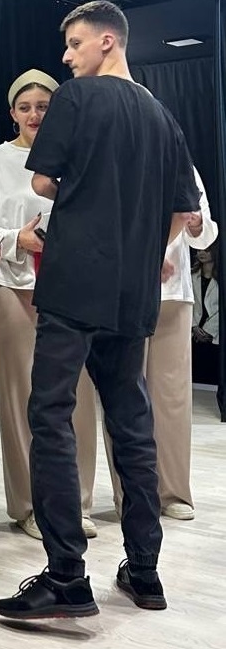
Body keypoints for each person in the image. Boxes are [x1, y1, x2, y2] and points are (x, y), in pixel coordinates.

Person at [0, 0, 199, 619]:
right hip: (133, 290)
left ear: (108, 41)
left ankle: (66, 577)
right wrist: (145, 253)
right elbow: (182, 211)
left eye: (75, 44)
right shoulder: (164, 117)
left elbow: (41, 183)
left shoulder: (77, 99)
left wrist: (83, 196)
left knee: (51, 415)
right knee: (131, 422)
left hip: (75, 278)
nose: (66, 57)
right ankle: (144, 571)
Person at [0, 69, 100, 541]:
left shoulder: (79, 154)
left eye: (44, 106)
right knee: (20, 398)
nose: (34, 115)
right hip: (11, 287)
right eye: (25, 107)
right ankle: (29, 505)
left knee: (76, 396)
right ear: (12, 113)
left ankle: (77, 501)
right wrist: (17, 240)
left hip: (71, 289)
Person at [105, 173, 216, 524]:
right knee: (124, 396)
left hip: (174, 294)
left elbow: (206, 234)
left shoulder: (184, 167)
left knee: (172, 399)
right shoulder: (117, 155)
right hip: (124, 289)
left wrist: (197, 224)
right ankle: (129, 494)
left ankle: (173, 492)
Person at [191, 247, 219, 383]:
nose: (201, 253)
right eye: (198, 250)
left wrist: (209, 330)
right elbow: (186, 304)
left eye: (206, 250)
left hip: (214, 335)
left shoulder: (221, 277)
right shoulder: (190, 276)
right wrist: (194, 326)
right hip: (193, 334)